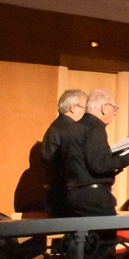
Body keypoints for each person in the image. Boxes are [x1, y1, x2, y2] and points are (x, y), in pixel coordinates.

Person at [64, 89, 129, 216]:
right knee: (107, 229)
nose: (115, 112)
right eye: (114, 108)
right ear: (104, 107)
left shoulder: (73, 128)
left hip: (73, 196)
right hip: (94, 199)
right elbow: (99, 165)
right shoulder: (95, 128)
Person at [41, 89, 88, 218]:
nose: (87, 113)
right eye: (85, 108)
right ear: (73, 108)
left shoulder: (55, 127)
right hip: (66, 195)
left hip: (56, 194)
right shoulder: (69, 130)